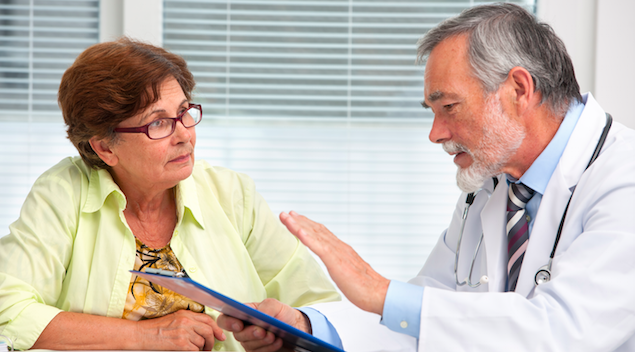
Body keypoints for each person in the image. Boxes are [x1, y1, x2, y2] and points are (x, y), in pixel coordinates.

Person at [217, 3, 635, 351]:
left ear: (519, 90)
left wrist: (379, 291)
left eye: (449, 107)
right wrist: (304, 328)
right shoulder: (492, 186)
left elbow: (564, 332)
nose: (435, 134)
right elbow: (424, 316)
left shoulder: (622, 179)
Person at [0, 37, 340, 351]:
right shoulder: (63, 192)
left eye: (184, 113)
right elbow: (8, 309)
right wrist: (145, 336)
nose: (184, 135)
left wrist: (291, 327)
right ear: (105, 147)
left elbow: (319, 308)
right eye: (158, 123)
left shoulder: (232, 194)